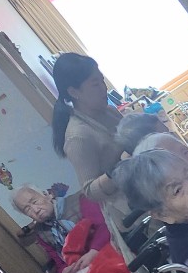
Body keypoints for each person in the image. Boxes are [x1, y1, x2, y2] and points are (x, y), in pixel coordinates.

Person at [50, 53, 136, 260]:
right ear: (74, 92)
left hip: (147, 188)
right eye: (95, 84)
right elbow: (90, 190)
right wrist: (119, 169)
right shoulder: (78, 136)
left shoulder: (109, 112)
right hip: (130, 212)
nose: (103, 88)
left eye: (102, 81)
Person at [12, 184, 103, 273]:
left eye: (35, 201)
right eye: (27, 209)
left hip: (105, 255)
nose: (36, 210)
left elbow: (106, 227)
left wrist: (93, 252)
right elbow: (59, 263)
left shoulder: (80, 200)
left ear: (47, 195)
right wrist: (64, 272)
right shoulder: (41, 233)